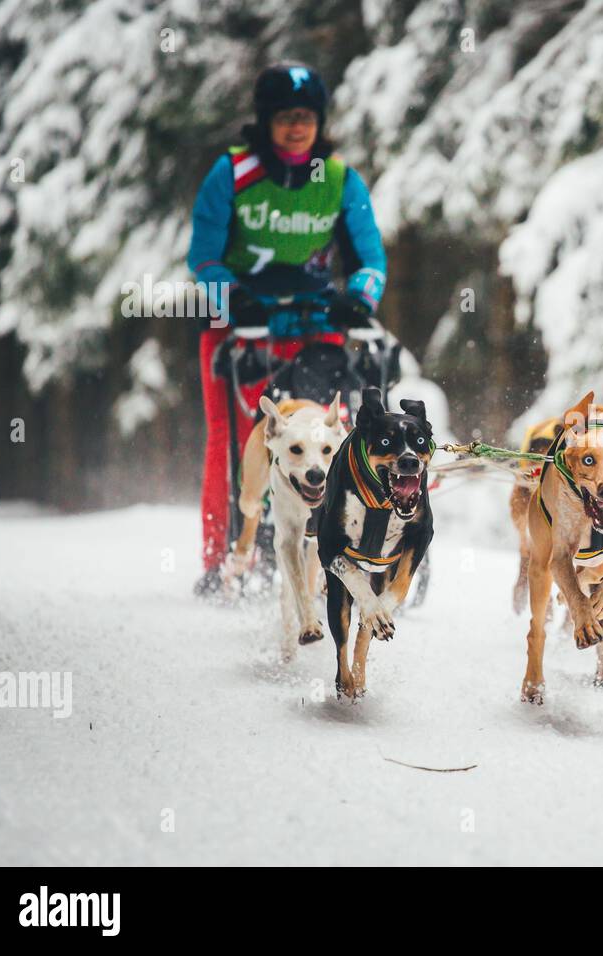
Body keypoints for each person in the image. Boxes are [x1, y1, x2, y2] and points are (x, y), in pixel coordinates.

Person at [188, 62, 387, 596]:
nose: (297, 127)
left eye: (306, 117)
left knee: (319, 438)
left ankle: (331, 542)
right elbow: (203, 258)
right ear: (265, 121)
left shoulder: (340, 179)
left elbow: (370, 260)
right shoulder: (232, 173)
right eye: (285, 117)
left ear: (319, 121)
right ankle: (223, 559)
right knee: (235, 442)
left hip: (315, 330)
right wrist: (234, 299)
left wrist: (358, 300)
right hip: (240, 334)